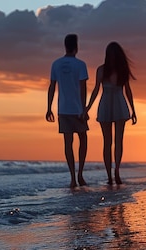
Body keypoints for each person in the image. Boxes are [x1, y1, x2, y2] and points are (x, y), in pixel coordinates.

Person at [86, 42, 137, 185]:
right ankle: (110, 175)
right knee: (108, 142)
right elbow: (96, 90)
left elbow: (128, 90)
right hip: (107, 104)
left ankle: (116, 172)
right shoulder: (101, 70)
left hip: (119, 103)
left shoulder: (122, 70)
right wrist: (88, 107)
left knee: (117, 141)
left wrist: (133, 110)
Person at [46, 33, 89, 189]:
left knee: (68, 143)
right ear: (76, 47)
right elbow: (83, 89)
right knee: (83, 139)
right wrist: (84, 108)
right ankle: (80, 174)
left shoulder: (56, 64)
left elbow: (52, 87)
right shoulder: (81, 65)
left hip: (63, 109)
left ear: (65, 46)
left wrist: (48, 107)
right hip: (77, 109)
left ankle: (72, 177)